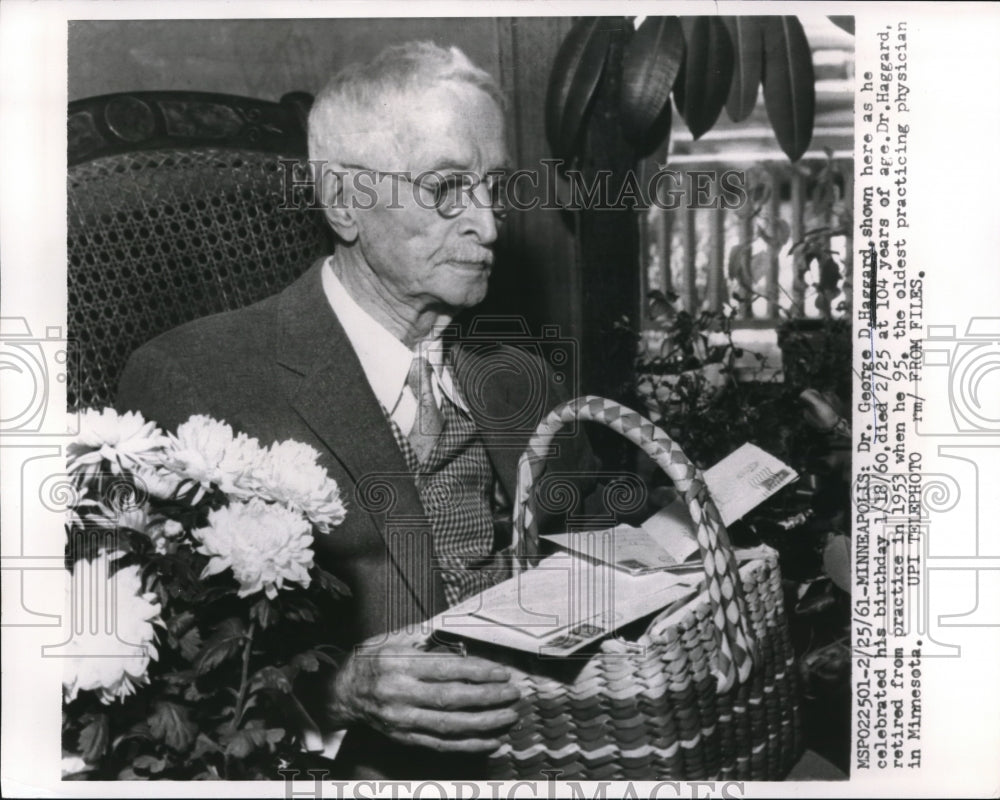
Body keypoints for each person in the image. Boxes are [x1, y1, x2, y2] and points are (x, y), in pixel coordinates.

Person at [116, 41, 594, 778]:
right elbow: (164, 680)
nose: (491, 226)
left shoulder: (522, 375)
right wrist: (339, 690)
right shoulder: (193, 383)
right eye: (446, 189)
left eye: (494, 188)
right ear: (344, 202)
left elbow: (597, 553)